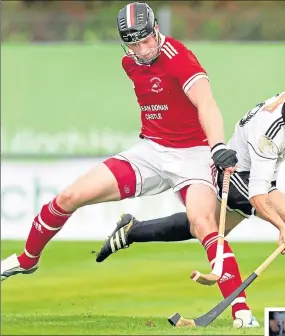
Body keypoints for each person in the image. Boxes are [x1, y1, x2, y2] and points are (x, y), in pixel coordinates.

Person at [0, 2, 260, 328]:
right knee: (69, 197)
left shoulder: (178, 57)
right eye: (133, 43)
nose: (141, 49)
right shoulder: (130, 62)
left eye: (146, 40)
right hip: (151, 151)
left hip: (194, 154)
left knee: (202, 222)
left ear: (156, 31)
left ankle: (242, 314)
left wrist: (218, 145)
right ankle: (27, 260)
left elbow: (206, 102)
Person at [97, 79, 285, 309]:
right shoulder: (267, 131)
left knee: (201, 225)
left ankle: (131, 230)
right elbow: (259, 195)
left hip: (260, 180)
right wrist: (283, 228)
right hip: (236, 178)